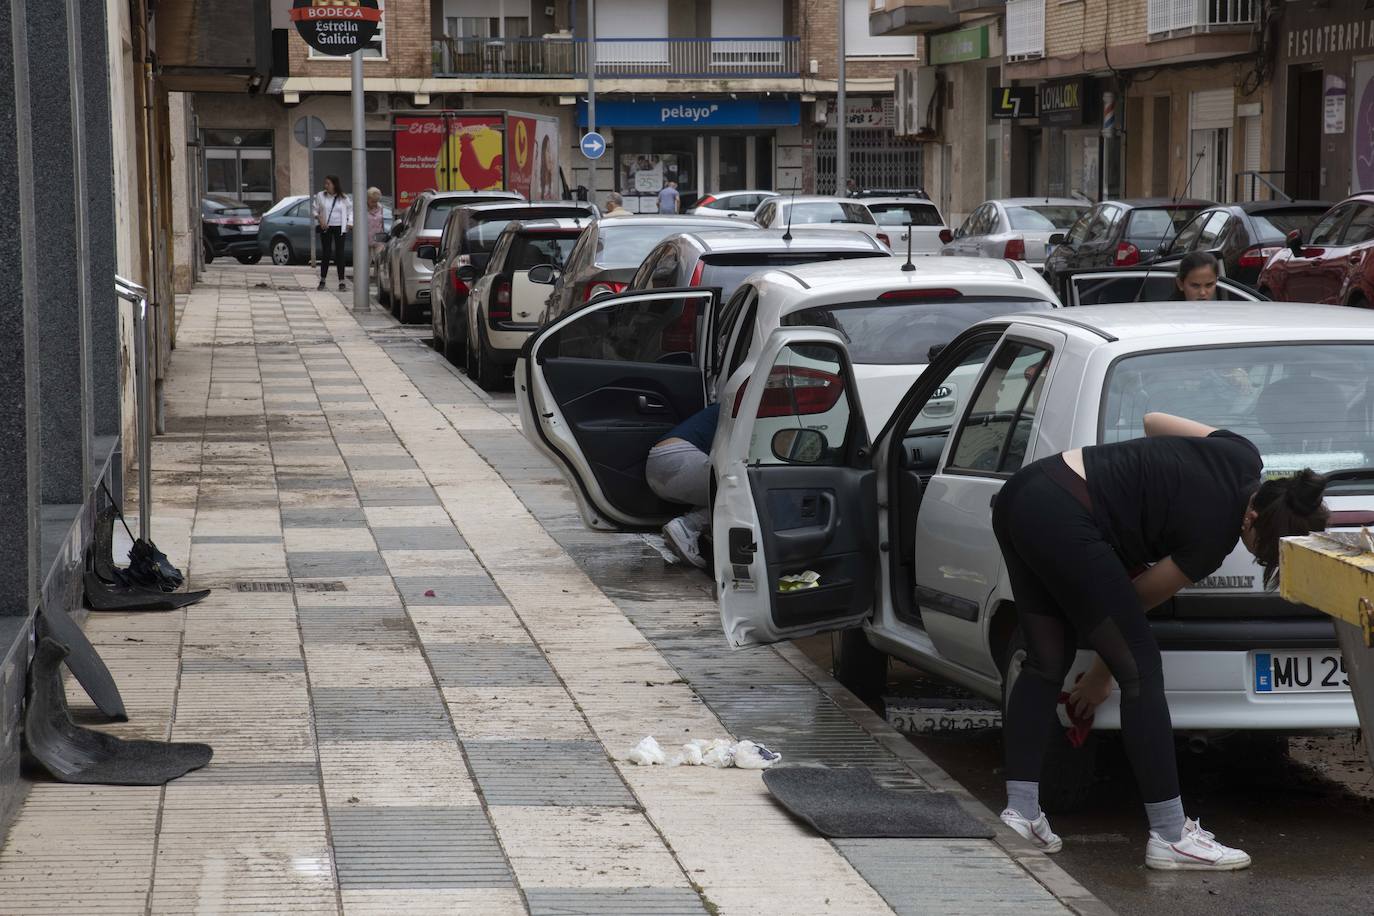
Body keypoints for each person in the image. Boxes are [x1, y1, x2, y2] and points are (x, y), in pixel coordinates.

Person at [992, 411, 1329, 871]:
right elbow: (1133, 601)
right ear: (1251, 516)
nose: (1259, 557)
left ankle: (1021, 814)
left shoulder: (1240, 452)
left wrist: (1147, 480)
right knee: (1144, 672)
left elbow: (1152, 422)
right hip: (1067, 515)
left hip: (1025, 493)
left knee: (1047, 660)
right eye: (1265, 548)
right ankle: (1171, 836)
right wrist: (1102, 675)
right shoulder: (1212, 539)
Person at [646, 403, 720, 568]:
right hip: (679, 462)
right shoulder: (754, 407)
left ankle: (689, 532)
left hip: (659, 463)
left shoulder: (733, 400)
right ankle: (689, 525)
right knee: (746, 484)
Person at [314, 175, 352, 292]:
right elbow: (314, 209)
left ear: (334, 185)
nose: (326, 186)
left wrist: (350, 222)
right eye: (325, 183)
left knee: (340, 254)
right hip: (326, 227)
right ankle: (322, 280)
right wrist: (320, 219)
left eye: (328, 184)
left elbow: (351, 211)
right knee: (326, 253)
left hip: (340, 227)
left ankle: (341, 282)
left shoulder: (343, 197)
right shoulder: (321, 195)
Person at [365, 186, 386, 281]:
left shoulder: (380, 207)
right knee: (365, 261)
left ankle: (378, 280)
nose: (374, 203)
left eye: (376, 201)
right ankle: (364, 280)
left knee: (379, 259)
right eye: (372, 201)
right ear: (367, 199)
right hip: (365, 238)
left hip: (378, 237)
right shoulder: (362, 208)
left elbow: (382, 222)